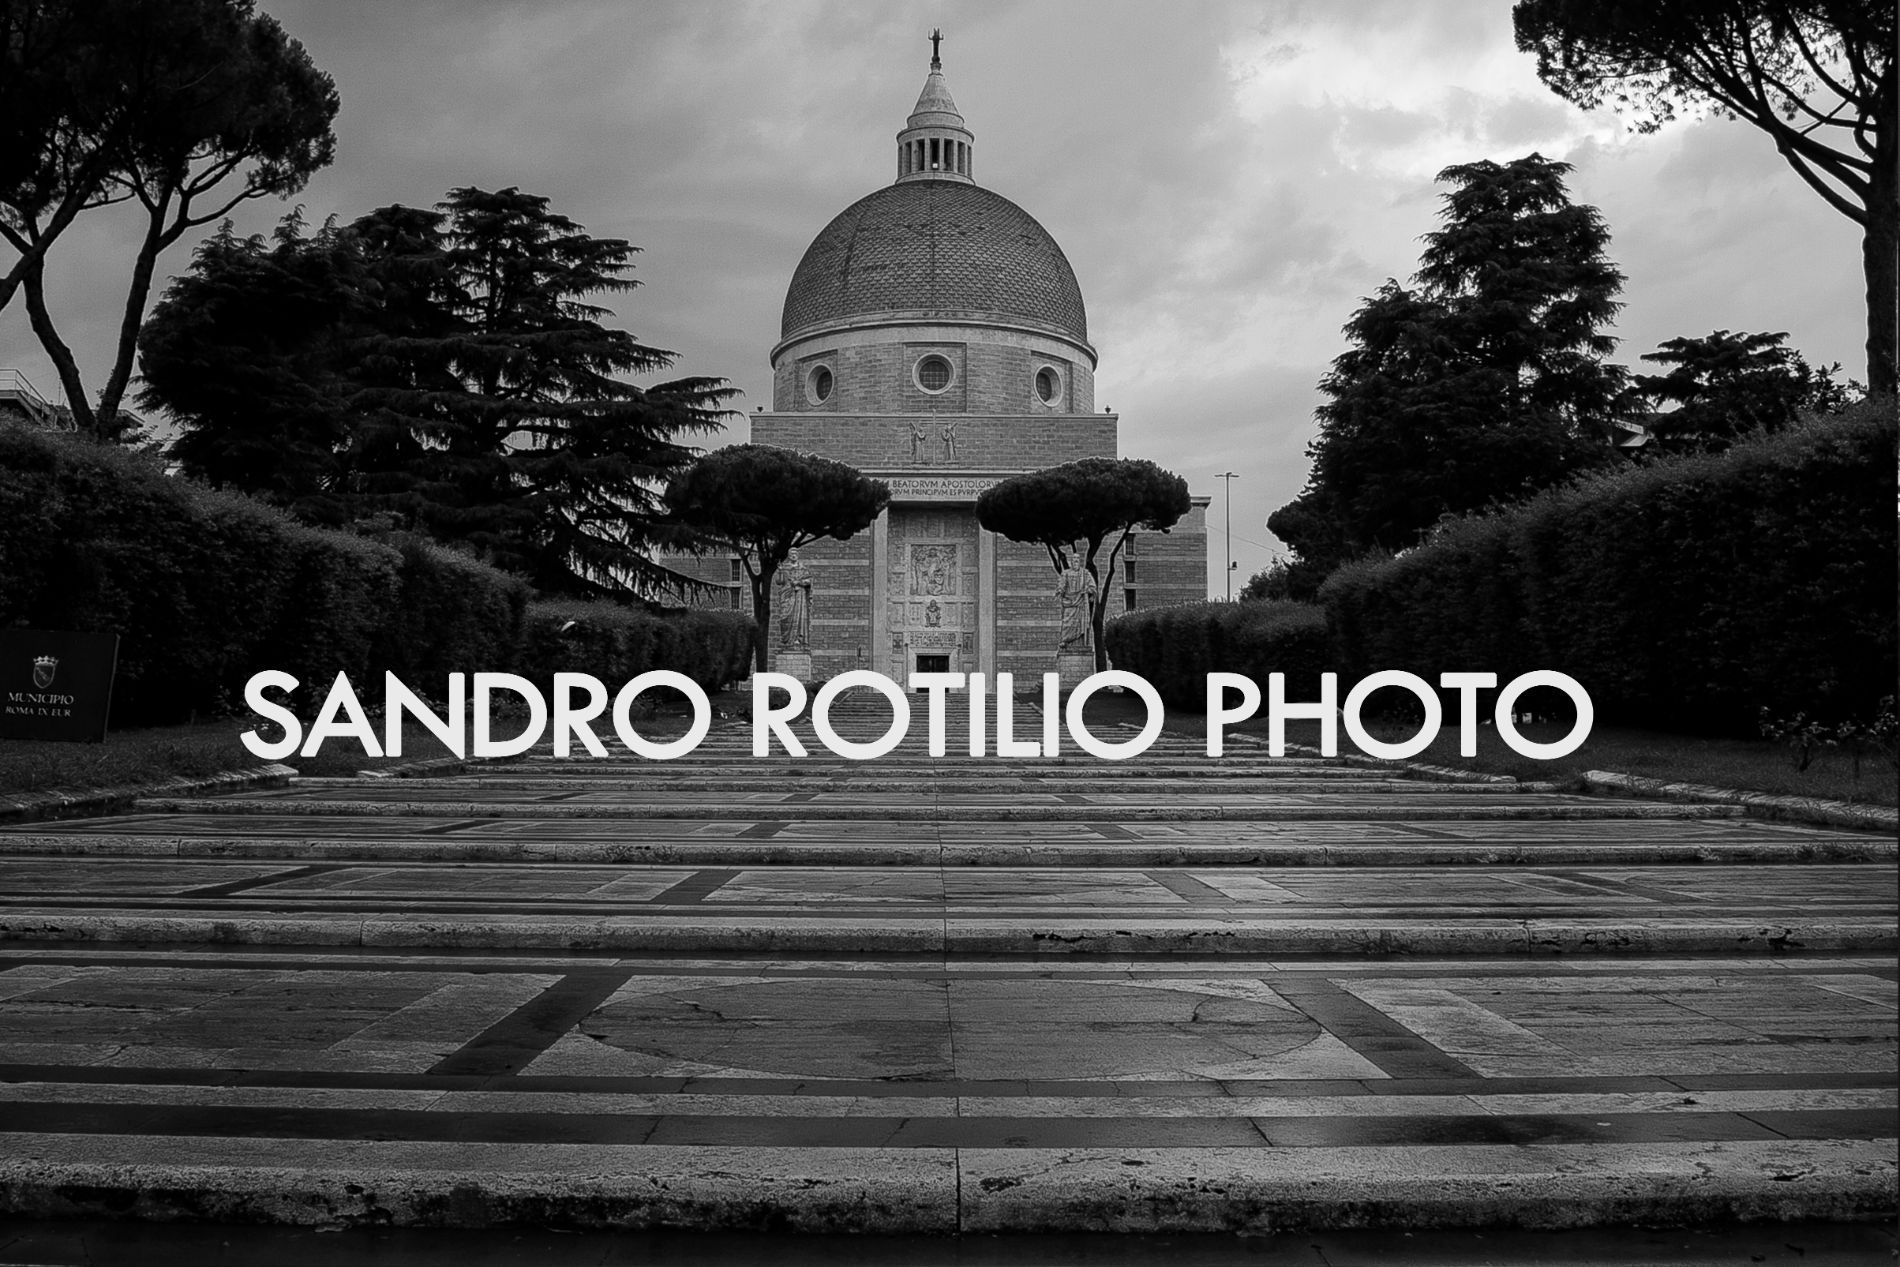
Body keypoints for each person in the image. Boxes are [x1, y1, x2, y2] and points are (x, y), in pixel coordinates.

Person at [1055, 551, 1096, 651]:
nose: (1076, 562)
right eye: (1074, 560)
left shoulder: (1085, 573)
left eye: (1077, 560)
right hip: (1069, 603)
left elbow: (1092, 587)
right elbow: (1062, 584)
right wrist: (1060, 591)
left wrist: (1088, 591)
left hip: (1081, 603)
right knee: (1067, 623)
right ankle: (1065, 641)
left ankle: (1080, 644)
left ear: (1080, 562)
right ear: (1071, 562)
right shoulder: (1066, 573)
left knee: (1080, 624)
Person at [775, 549, 813, 649]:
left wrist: (799, 583)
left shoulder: (803, 569)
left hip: (799, 595)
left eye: (795, 554)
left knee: (799, 617)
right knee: (784, 617)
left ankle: (797, 639)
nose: (793, 555)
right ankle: (786, 640)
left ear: (798, 555)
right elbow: (779, 581)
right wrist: (780, 571)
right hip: (786, 596)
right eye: (791, 554)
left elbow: (809, 581)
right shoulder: (784, 568)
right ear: (788, 556)